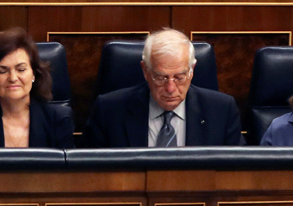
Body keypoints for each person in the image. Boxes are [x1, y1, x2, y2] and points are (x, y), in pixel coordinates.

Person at [81, 28, 243, 148]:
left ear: (192, 70)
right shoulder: (109, 111)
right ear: (145, 70)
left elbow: (237, 173)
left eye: (179, 77)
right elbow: (88, 174)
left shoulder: (222, 111)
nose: (171, 88)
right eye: (161, 78)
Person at [0, 28, 74, 148]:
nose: (13, 78)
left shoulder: (58, 119)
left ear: (34, 74)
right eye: (2, 71)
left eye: (21, 70)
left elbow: (66, 166)